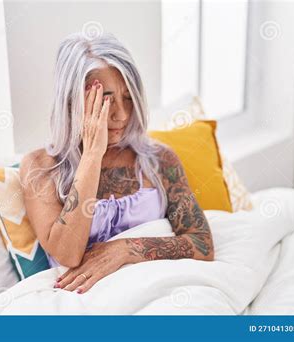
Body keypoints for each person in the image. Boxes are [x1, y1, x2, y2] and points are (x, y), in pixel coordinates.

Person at [19, 32, 214, 294]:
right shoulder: (40, 167)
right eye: (106, 98)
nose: (121, 115)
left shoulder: (159, 159)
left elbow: (202, 244)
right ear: (71, 101)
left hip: (166, 290)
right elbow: (67, 254)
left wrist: (124, 249)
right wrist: (91, 156)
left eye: (128, 97)